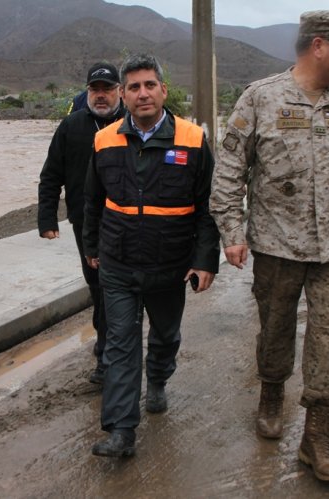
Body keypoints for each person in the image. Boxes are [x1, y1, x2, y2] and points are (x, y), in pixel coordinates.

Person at [210, 10, 329, 483]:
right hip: (276, 246)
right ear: (318, 46)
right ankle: (272, 393)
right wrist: (232, 233)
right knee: (275, 330)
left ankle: (317, 435)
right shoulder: (261, 98)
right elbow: (229, 172)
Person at [83, 54, 220, 458]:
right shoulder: (105, 139)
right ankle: (122, 430)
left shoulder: (193, 140)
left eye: (149, 85)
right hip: (119, 263)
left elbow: (207, 207)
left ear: (163, 89)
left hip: (170, 265)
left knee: (164, 336)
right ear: (123, 95)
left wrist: (205, 259)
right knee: (120, 346)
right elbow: (92, 200)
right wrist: (92, 248)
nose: (142, 93)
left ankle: (158, 379)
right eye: (134, 87)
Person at [38, 62, 125, 384]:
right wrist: (47, 218)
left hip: (126, 223)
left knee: (115, 288)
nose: (101, 96)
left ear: (119, 91)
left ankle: (107, 357)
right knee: (98, 286)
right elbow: (50, 176)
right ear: (87, 92)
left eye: (107, 89)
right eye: (95, 90)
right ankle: (107, 343)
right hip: (85, 223)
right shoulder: (71, 126)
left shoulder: (133, 124)